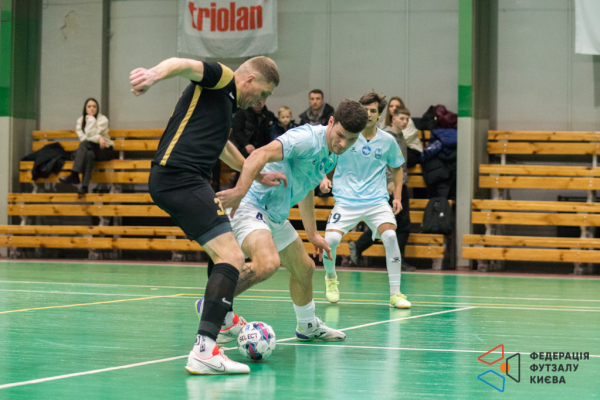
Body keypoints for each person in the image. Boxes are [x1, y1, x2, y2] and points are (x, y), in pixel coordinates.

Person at [130, 56, 285, 375]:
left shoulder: (226, 105)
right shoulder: (223, 78)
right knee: (232, 256)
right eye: (263, 93)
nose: (261, 101)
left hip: (185, 179)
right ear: (251, 80)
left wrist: (256, 175)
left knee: (223, 253)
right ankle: (204, 349)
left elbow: (222, 146)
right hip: (178, 176)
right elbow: (183, 64)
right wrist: (153, 75)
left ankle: (222, 322)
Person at [216, 99, 368, 342]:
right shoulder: (306, 138)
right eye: (340, 135)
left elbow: (307, 187)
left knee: (304, 268)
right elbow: (259, 154)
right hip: (252, 205)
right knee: (267, 263)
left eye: (351, 140)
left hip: (275, 215)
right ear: (331, 122)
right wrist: (239, 191)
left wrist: (312, 233)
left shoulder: (332, 154)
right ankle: (213, 304)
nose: (343, 144)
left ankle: (307, 325)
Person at [318, 92, 411, 309]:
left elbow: (397, 168)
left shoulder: (387, 141)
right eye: (365, 110)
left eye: (373, 111)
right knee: (330, 241)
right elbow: (327, 156)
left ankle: (395, 294)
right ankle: (331, 278)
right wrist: (323, 177)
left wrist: (397, 197)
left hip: (376, 202)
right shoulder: (347, 135)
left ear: (379, 115)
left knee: (390, 236)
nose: (369, 114)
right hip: (345, 201)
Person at [350, 107, 416, 272]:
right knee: (393, 225)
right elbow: (383, 160)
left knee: (397, 225)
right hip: (390, 186)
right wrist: (390, 181)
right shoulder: (388, 136)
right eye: (401, 118)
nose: (405, 122)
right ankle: (363, 247)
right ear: (393, 119)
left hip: (400, 184)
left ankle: (360, 246)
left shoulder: (400, 136)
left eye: (407, 119)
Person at [59, 98, 115, 194]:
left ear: (97, 108)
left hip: (104, 149)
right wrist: (99, 138)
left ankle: (74, 174)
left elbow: (92, 134)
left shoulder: (103, 119)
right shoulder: (80, 121)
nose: (92, 108)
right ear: (85, 108)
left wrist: (91, 120)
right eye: (89, 106)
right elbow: (85, 138)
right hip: (90, 148)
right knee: (89, 154)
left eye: (94, 106)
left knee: (84, 145)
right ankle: (84, 187)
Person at [381, 96, 422, 168]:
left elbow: (401, 141)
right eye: (391, 106)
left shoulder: (406, 121)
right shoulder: (386, 121)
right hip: (396, 149)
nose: (394, 108)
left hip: (411, 150)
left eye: (397, 106)